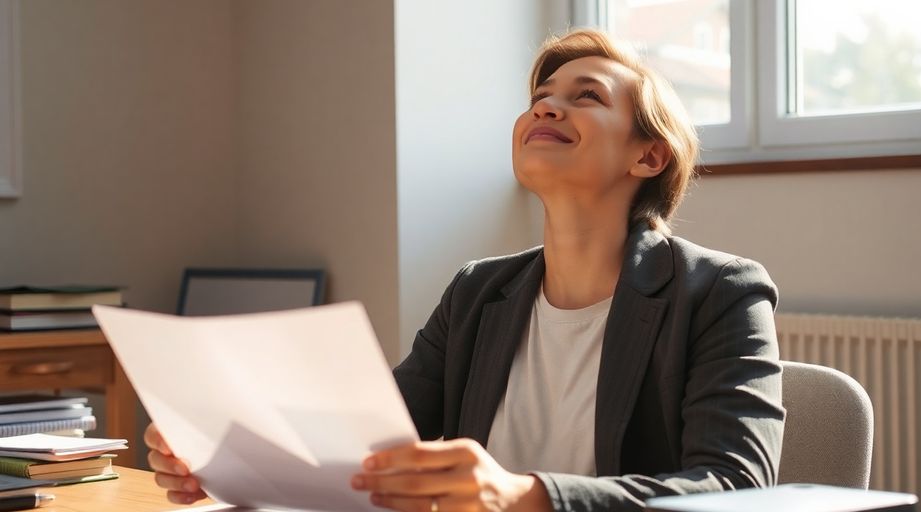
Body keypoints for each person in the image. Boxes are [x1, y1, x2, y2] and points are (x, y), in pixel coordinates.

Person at [144, 29, 785, 511]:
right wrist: (231, 461)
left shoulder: (721, 293)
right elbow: (368, 448)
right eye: (540, 97)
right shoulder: (480, 291)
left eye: (585, 97)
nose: (547, 108)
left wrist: (526, 495)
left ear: (648, 155)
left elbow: (735, 490)